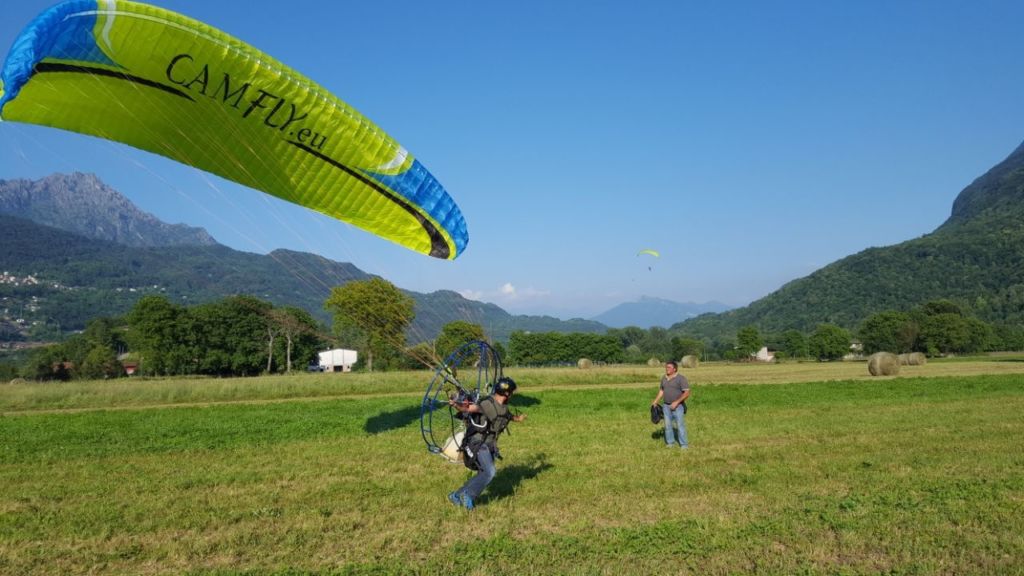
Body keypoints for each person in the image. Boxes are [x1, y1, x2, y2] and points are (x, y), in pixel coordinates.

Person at [447, 376, 527, 510]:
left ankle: (456, 495)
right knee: (490, 472)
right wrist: (457, 405)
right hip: (477, 443)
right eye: (512, 392)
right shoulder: (487, 404)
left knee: (483, 473)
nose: (512, 395)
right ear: (507, 393)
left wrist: (519, 418)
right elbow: (469, 409)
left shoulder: (503, 407)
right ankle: (469, 495)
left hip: (489, 446)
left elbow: (508, 416)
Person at [652, 360, 690, 449]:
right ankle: (670, 443)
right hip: (666, 406)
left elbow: (687, 392)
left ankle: (684, 445)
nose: (667, 369)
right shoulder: (664, 378)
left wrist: (677, 402)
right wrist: (656, 401)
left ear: (675, 369)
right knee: (667, 425)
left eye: (669, 367)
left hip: (678, 406)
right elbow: (662, 390)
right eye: (666, 367)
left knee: (680, 425)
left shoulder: (681, 378)